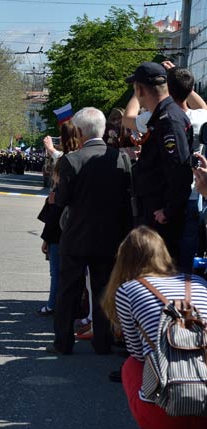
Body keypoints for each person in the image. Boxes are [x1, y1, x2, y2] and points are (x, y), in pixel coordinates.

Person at [101, 227, 207, 429]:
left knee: (131, 366)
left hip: (168, 410)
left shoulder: (127, 290)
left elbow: (137, 353)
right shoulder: (199, 283)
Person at [48, 107, 133, 355]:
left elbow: (62, 199)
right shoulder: (120, 158)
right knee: (103, 290)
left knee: (68, 291)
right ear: (103, 129)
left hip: (76, 236)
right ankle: (102, 343)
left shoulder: (72, 159)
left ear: (81, 132)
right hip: (109, 236)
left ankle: (63, 342)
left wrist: (55, 197)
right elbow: (126, 198)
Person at [123, 62, 194, 267]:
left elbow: (179, 169)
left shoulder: (168, 120)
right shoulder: (163, 116)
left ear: (140, 90)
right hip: (154, 210)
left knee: (157, 273)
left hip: (160, 216)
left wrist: (169, 210)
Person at [37, 121, 80, 317]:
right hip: (76, 224)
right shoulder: (79, 158)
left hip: (61, 225)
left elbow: (56, 210)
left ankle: (54, 304)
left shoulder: (68, 161)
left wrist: (51, 149)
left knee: (57, 270)